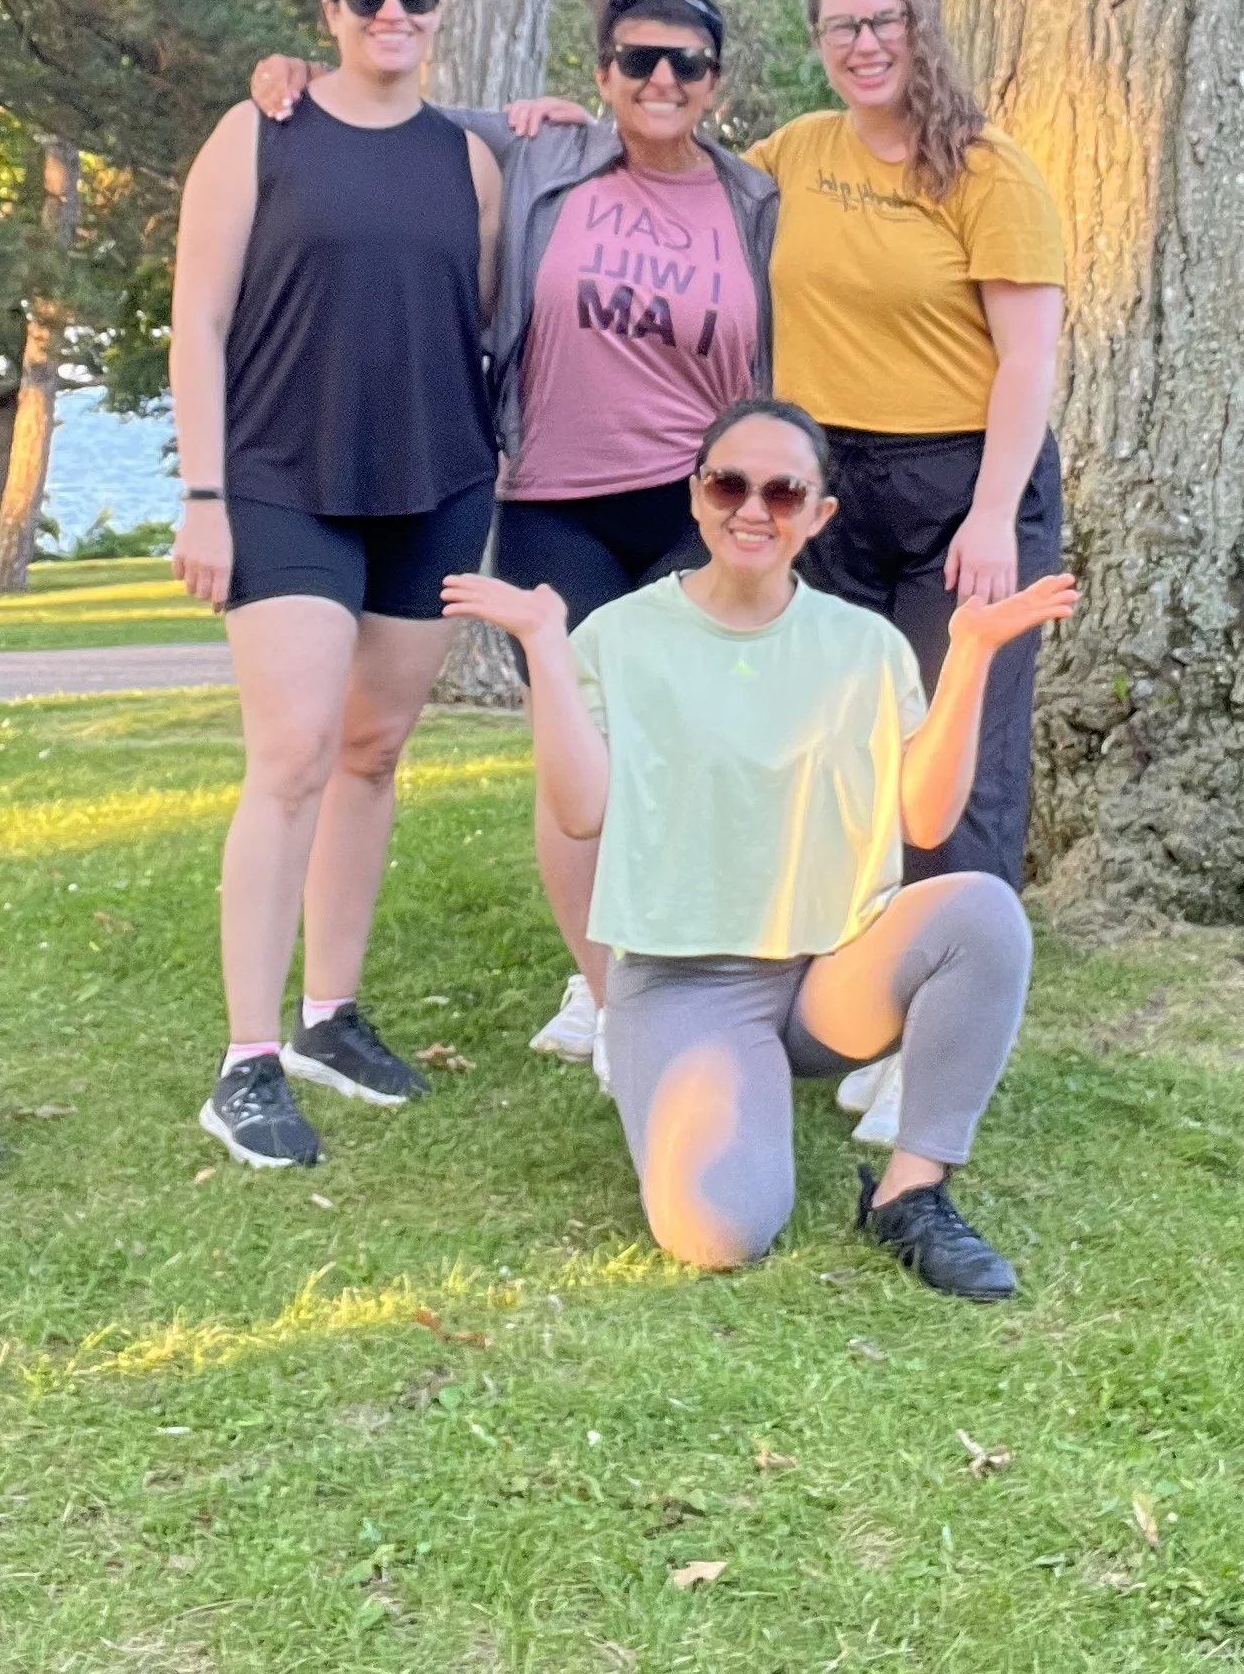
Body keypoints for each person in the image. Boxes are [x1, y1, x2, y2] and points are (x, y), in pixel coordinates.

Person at [508, 0, 1065, 1148]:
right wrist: (566, 127)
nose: (864, 44)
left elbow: (1029, 358)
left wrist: (989, 513)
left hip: (962, 480)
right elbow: (668, 157)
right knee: (846, 755)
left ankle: (931, 1044)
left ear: (919, 25)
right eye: (839, 27)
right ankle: (808, 985)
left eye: (883, 21)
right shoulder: (792, 157)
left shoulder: (987, 169)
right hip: (827, 484)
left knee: (955, 748)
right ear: (818, 43)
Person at [247, 0, 777, 1082]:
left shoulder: (751, 194)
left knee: (687, 752)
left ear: (717, 80)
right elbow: (384, 112)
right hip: (554, 500)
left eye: (689, 65)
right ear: (604, 70)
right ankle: (605, 992)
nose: (664, 83)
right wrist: (286, 73)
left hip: (697, 510)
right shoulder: (535, 153)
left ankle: (685, 967)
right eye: (640, 60)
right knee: (578, 755)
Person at [445, 400, 1076, 1296]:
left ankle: (910, 1192)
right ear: (695, 496)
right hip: (686, 980)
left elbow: (927, 821)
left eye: (783, 493)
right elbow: (581, 811)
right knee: (719, 1233)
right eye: (729, 484)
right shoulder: (618, 637)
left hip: (827, 974)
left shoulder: (863, 644)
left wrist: (967, 658)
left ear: (819, 516)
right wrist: (545, 646)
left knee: (979, 913)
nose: (752, 509)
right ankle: (709, 1080)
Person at [170, 0, 501, 1172]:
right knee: (297, 755)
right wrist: (203, 496)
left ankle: (328, 1018)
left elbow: (468, 315)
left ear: (436, 4)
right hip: (278, 482)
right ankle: (247, 1060)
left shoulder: (466, 161)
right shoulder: (260, 130)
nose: (391, 13)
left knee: (373, 749)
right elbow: (196, 323)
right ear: (328, 10)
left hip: (433, 483)